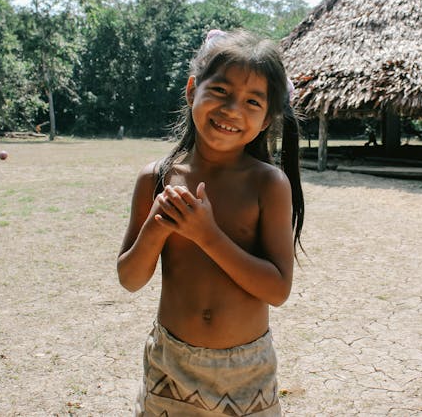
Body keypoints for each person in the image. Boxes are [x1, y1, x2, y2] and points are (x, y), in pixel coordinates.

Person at [117, 29, 305, 416]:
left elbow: (277, 289)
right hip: (171, 365)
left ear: (268, 117)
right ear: (192, 90)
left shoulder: (267, 184)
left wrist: (208, 235)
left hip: (246, 371)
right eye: (219, 91)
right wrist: (156, 226)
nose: (232, 109)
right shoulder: (156, 179)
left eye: (252, 101)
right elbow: (130, 278)